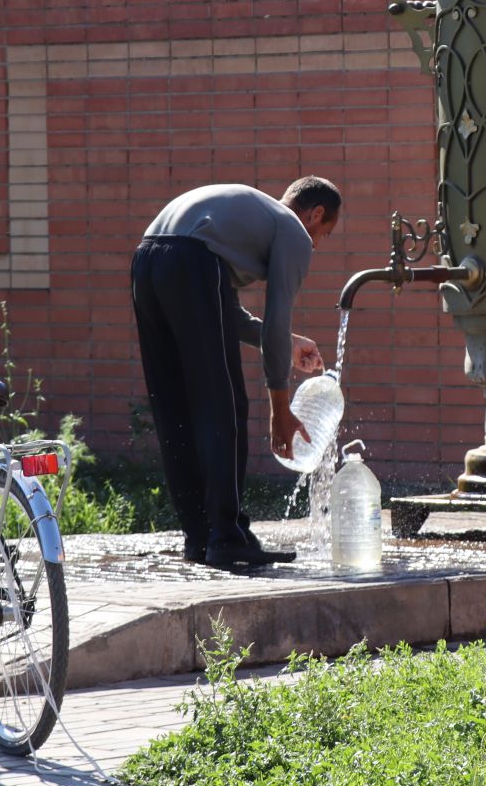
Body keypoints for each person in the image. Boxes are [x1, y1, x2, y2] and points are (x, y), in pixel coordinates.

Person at [132, 177, 340, 569]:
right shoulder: (294, 230)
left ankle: (199, 536)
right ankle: (227, 536)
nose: (316, 244)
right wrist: (280, 409)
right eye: (324, 233)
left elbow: (223, 312)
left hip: (146, 258)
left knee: (174, 407)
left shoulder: (247, 217)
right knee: (222, 405)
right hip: (190, 260)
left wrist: (285, 341)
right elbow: (277, 316)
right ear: (315, 214)